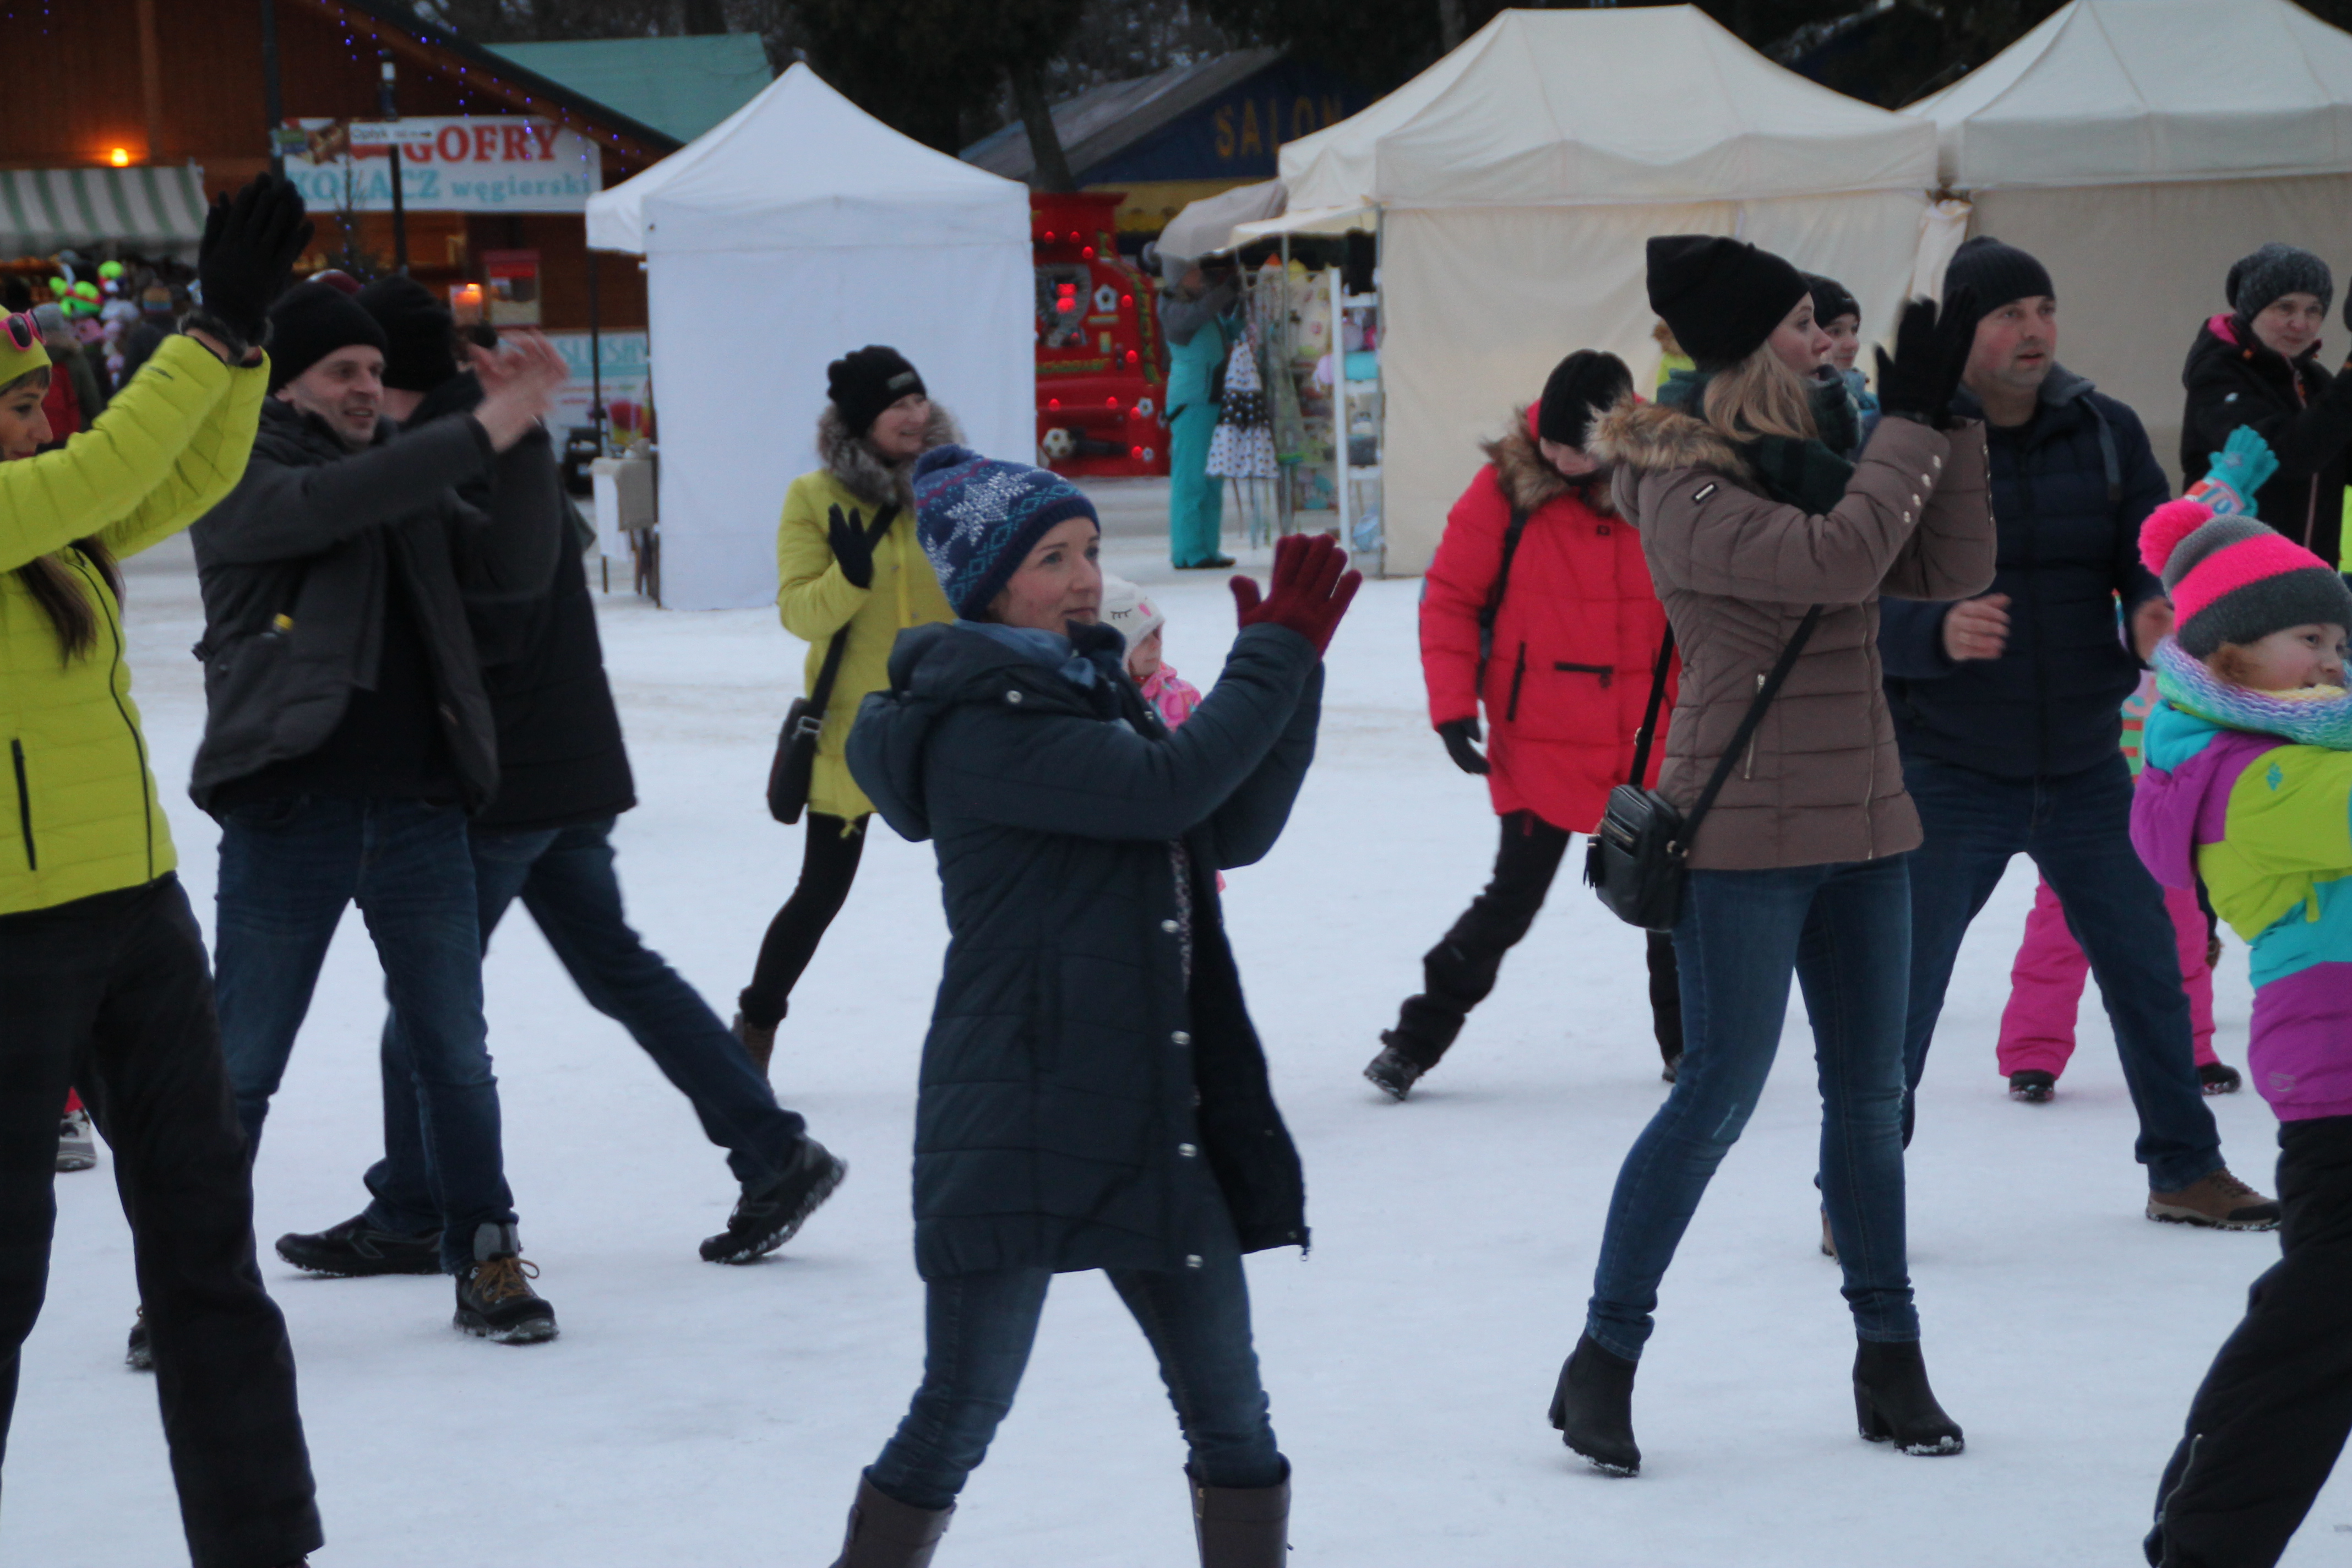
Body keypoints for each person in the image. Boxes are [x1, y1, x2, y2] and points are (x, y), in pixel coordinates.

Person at [824, 450, 1357, 1567]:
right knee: (959, 1410)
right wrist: (1273, 654)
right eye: (1051, 559)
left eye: (1090, 551)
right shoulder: (982, 721)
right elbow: (1169, 789)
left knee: (1234, 1417)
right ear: (987, 586)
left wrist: (1294, 673)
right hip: (1019, 1114)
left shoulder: (1085, 688)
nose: (1082, 579)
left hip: (1146, 1104)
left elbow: (1228, 825)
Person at [1554, 234, 1995, 1477]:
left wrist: (1948, 421)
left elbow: (1952, 564)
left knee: (1869, 1101)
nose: (1828, 343)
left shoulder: (1834, 455)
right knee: (1718, 1094)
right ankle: (1603, 1353)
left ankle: (1889, 1357)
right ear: (1750, 349)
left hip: (1865, 819)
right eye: (1804, 325)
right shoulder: (1676, 480)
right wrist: (1906, 428)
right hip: (1742, 829)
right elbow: (1838, 561)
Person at [0, 173, 325, 1568]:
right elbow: (104, 472)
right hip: (9, 939)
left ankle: (261, 1542)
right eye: (16, 408)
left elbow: (178, 478)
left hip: (133, 912)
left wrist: (239, 351)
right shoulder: (26, 508)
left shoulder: (48, 525)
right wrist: (211, 325)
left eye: (39, 403)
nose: (39, 426)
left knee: (206, 1248)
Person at [189, 277, 571, 1345]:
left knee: (454, 1053)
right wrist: (482, 426)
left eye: (374, 370)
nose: (366, 386)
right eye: (341, 371)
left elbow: (512, 568)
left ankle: (488, 1253)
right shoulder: (236, 468)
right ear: (286, 382)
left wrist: (522, 442)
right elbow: (324, 508)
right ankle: (186, 1279)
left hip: (419, 813)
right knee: (241, 1065)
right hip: (287, 812)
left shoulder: (402, 476)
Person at [1878, 235, 2277, 1229]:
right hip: (1948, 769)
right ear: (1963, 332)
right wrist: (1932, 632)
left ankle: (2185, 1167)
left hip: (2088, 765)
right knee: (1899, 998)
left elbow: (2148, 551)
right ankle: (1860, 1189)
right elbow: (1841, 596)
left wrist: (2149, 605)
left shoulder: (2103, 429)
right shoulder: (1909, 443)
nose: (2034, 330)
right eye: (2008, 314)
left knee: (2150, 975)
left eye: (2044, 309)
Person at [1365, 349, 1683, 1101]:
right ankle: (1414, 1041)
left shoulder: (1668, 480)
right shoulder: (1506, 486)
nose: (1560, 460)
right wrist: (1451, 708)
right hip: (1541, 742)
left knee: (1672, 907)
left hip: (1654, 736)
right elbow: (1450, 597)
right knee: (1511, 900)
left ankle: (1691, 1050)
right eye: (1553, 443)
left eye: (1577, 448)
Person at [2130, 494, 2352, 1568]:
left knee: (2317, 1318)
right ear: (2230, 652)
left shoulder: (2295, 747)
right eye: (2308, 636)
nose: (2332, 659)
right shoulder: (2250, 776)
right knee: (2316, 1324)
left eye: (2340, 641)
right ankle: (2205, 1542)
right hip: (2341, 1079)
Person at [733, 346, 956, 1068]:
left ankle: (1017, 1032)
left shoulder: (954, 483)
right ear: (861, 422)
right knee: (821, 893)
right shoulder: (813, 497)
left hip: (950, 724)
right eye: (897, 406)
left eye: (919, 399)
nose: (915, 415)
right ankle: (756, 1025)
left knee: (992, 887)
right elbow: (800, 613)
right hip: (854, 733)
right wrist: (849, 579)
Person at [1995, 666, 2241, 1101]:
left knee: (2182, 939)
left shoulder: (2185, 654)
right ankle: (2033, 1055)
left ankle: (2190, 1050)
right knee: (2056, 943)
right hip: (2080, 819)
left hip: (2163, 822)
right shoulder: (2078, 647)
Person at [2180, 242, 2352, 565]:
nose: (2300, 323)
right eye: (2285, 308)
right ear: (2252, 311)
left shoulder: (2314, 379)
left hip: (2312, 575)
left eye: (2314, 310)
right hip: (2233, 575)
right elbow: (2288, 454)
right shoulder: (2219, 376)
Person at [1159, 249, 1240, 570]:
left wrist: (1240, 306)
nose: (1201, 277)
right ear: (1179, 279)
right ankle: (1188, 551)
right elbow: (1199, 315)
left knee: (1212, 479)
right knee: (1191, 479)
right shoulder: (1173, 308)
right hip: (1192, 401)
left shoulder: (1199, 305)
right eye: (1194, 272)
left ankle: (1208, 547)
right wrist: (1227, 290)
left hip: (1212, 398)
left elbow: (1225, 330)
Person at [1101, 573, 1201, 727]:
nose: (1156, 644)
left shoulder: (1184, 697)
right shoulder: (1098, 705)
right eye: (1142, 639)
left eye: (1156, 634)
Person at [1807, 273, 1881, 447]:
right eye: (1836, 331)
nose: (1853, 344)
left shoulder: (1872, 403)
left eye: (1854, 330)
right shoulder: (1794, 414)